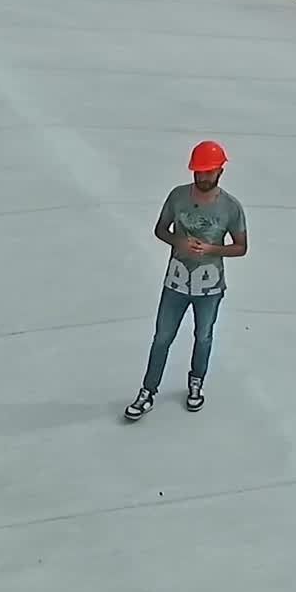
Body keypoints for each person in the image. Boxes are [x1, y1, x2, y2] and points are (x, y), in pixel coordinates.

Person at [124, 141, 247, 421]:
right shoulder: (177, 197)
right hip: (176, 283)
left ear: (220, 171)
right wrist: (178, 241)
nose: (203, 177)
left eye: (209, 172)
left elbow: (241, 247)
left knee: (203, 336)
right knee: (162, 337)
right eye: (199, 172)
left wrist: (211, 249)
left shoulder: (231, 207)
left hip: (209, 287)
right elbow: (160, 229)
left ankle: (196, 382)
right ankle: (148, 391)